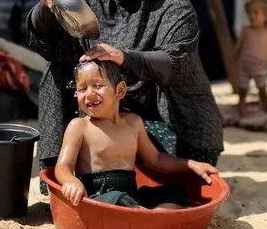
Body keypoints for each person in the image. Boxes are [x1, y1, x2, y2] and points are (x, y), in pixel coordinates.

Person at [26, 0, 224, 195]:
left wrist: (125, 58)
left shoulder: (174, 7)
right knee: (57, 68)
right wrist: (46, 7)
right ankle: (59, 179)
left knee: (177, 185)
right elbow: (47, 43)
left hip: (160, 114)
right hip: (103, 108)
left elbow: (176, 63)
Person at [55, 60, 218, 208]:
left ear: (120, 90)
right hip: (99, 199)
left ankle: (152, 218)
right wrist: (71, 181)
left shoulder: (133, 123)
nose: (89, 94)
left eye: (97, 86)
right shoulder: (79, 126)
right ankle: (151, 219)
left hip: (132, 196)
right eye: (82, 89)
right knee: (118, 199)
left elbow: (156, 159)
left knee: (174, 192)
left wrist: (190, 164)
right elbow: (63, 166)